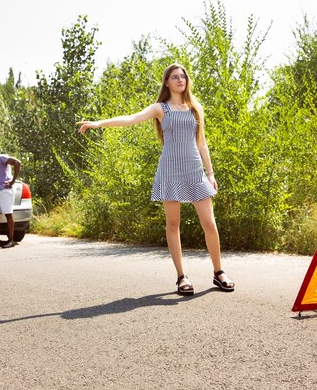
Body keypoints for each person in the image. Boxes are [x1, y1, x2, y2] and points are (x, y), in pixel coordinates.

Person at [77, 63, 235, 295]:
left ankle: (218, 272)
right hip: (170, 171)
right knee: (173, 224)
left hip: (195, 172)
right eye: (175, 77)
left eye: (183, 76)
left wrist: (210, 174)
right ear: (167, 82)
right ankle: (182, 277)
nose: (180, 80)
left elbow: (202, 144)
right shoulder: (160, 108)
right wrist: (99, 123)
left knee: (209, 224)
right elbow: (131, 118)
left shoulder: (195, 108)